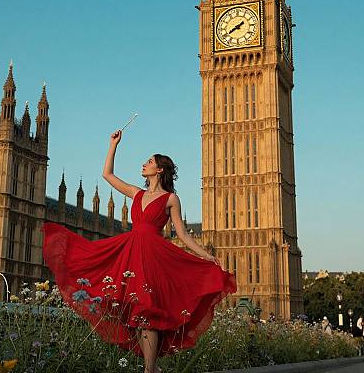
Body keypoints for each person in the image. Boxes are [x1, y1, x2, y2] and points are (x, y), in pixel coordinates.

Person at [42, 129, 237, 373]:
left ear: (160, 170)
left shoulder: (170, 199)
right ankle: (152, 369)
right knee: (134, 314)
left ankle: (149, 369)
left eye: (149, 162)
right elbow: (108, 174)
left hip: (154, 257)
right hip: (130, 253)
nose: (144, 165)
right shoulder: (137, 193)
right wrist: (113, 144)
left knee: (148, 314)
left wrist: (206, 255)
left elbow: (184, 235)